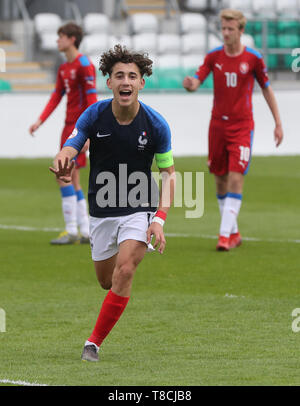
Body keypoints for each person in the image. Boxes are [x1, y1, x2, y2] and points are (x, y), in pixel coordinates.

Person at [49, 44, 176, 361]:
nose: (126, 82)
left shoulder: (156, 125)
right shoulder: (94, 115)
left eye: (132, 76)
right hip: (102, 210)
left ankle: (93, 343)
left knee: (125, 271)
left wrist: (159, 218)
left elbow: (169, 175)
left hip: (139, 207)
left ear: (141, 82)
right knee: (107, 281)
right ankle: (110, 304)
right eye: (119, 75)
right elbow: (70, 146)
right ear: (109, 81)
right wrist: (63, 159)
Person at [183, 8, 283, 251]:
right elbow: (198, 80)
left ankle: (224, 236)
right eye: (223, 28)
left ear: (241, 30)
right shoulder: (213, 57)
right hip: (217, 125)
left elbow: (267, 89)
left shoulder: (253, 59)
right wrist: (191, 85)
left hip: (242, 126)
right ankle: (234, 232)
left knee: (236, 176)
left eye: (230, 29)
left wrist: (278, 123)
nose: (225, 33)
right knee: (220, 180)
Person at [29, 22, 98, 245]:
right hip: (67, 128)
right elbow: (56, 96)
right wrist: (40, 121)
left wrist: (88, 133)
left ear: (71, 39)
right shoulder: (64, 68)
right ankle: (85, 231)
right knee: (72, 178)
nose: (57, 41)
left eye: (60, 37)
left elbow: (91, 102)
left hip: (78, 129)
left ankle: (72, 230)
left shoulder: (84, 65)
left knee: (61, 173)